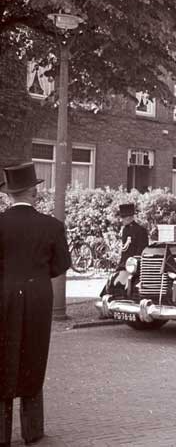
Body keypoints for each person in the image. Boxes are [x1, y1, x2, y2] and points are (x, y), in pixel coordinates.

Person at [0, 162, 71, 447]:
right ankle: (32, 431)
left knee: (2, 359)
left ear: (9, 195)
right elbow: (61, 266)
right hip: (39, 298)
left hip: (3, 296)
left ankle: (1, 434)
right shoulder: (52, 226)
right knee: (34, 357)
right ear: (32, 193)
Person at [117, 203, 149, 269]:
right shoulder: (125, 229)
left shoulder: (141, 230)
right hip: (125, 264)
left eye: (123, 217)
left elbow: (141, 251)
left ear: (128, 217)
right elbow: (125, 251)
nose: (121, 220)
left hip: (135, 266)